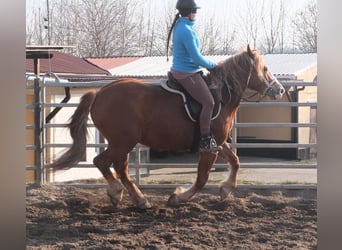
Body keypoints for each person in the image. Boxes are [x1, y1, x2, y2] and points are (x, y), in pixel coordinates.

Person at [166, 0, 222, 153]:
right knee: (209, 102)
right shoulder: (185, 30)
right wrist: (214, 66)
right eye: (195, 11)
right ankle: (205, 139)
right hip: (186, 73)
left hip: (191, 70)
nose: (196, 13)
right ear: (189, 12)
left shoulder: (184, 27)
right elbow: (197, 57)